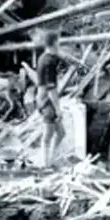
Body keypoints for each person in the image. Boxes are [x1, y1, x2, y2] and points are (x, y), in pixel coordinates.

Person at [34, 29, 85, 168]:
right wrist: (58, 110)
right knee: (48, 136)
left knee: (61, 133)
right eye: (59, 42)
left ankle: (49, 161)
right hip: (47, 102)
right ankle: (45, 166)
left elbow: (59, 54)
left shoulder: (44, 57)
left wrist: (73, 60)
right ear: (55, 42)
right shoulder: (49, 63)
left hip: (42, 100)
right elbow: (51, 90)